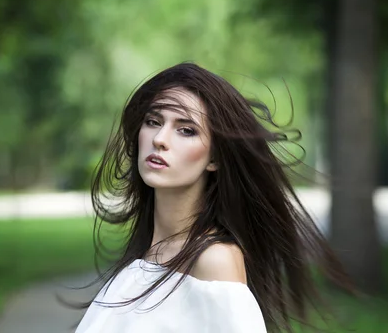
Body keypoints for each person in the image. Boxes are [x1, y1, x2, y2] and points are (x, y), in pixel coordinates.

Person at [74, 62, 351, 333]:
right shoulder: (146, 256)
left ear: (215, 158)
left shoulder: (215, 262)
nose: (160, 138)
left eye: (186, 130)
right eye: (153, 121)